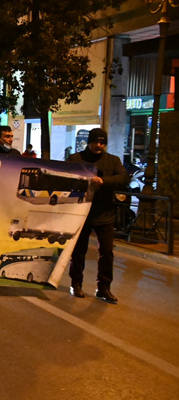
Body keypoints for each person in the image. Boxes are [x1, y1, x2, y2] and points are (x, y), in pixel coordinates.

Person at [67, 128, 129, 304]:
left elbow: (124, 178)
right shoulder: (75, 159)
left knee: (107, 251)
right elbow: (66, 178)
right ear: (89, 142)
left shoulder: (113, 161)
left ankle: (104, 288)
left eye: (102, 142)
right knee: (79, 251)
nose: (99, 145)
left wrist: (104, 181)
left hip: (104, 213)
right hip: (81, 212)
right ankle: (76, 283)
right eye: (96, 142)